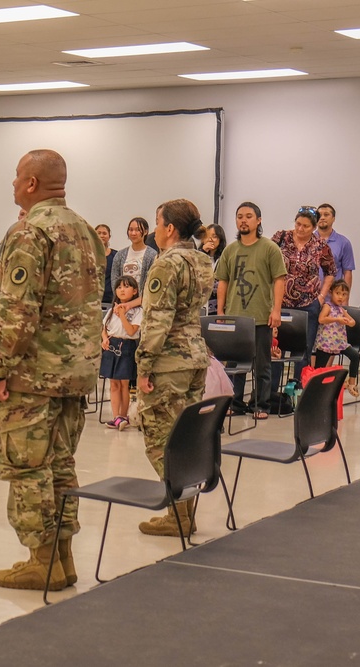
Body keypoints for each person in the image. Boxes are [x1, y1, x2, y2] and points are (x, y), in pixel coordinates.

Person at [0, 149, 104, 591]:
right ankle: (63, 561)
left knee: (27, 467)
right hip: (74, 373)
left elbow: (15, 310)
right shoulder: (86, 230)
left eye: (16, 179)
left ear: (31, 184)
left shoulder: (30, 232)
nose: (12, 186)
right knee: (61, 465)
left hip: (33, 375)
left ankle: (40, 561)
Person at [136, 199, 213, 537]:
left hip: (168, 361)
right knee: (184, 438)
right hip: (196, 356)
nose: (155, 229)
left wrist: (143, 366)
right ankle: (182, 513)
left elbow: (157, 320)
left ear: (169, 228)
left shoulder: (168, 264)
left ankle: (179, 514)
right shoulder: (202, 260)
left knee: (158, 440)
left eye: (157, 222)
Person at [215, 201, 286, 420]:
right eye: (239, 216)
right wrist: (220, 312)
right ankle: (235, 403)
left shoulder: (269, 248)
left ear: (258, 220)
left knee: (262, 365)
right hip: (235, 318)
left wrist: (276, 310)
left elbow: (279, 280)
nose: (243, 220)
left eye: (248, 216)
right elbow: (223, 282)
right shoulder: (230, 250)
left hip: (261, 317)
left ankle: (261, 405)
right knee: (236, 365)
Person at [270, 207, 336, 384]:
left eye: (306, 226)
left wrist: (321, 296)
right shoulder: (281, 238)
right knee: (276, 347)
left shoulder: (320, 246)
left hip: (308, 304)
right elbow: (265, 260)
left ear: (314, 227)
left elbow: (331, 272)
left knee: (304, 349)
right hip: (280, 303)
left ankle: (297, 390)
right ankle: (273, 392)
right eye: (298, 224)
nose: (300, 229)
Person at [100, 276, 142, 430]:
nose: (122, 290)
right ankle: (115, 416)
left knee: (124, 384)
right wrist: (104, 339)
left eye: (126, 287)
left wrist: (123, 314)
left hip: (127, 347)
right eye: (119, 287)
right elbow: (104, 328)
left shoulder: (138, 311)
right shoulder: (111, 310)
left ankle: (123, 416)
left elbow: (131, 331)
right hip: (112, 346)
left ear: (135, 290)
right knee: (113, 384)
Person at [313, 280, 360, 397]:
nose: (341, 297)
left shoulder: (341, 309)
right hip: (326, 344)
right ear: (331, 292)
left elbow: (353, 322)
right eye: (338, 293)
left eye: (344, 294)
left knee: (355, 356)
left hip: (339, 343)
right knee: (319, 370)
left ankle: (351, 383)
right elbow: (321, 319)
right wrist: (336, 319)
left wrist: (349, 322)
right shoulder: (327, 306)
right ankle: (315, 393)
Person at [111, 217, 157, 311]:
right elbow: (115, 280)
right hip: (121, 304)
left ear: (145, 231)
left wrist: (138, 301)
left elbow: (150, 283)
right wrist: (121, 298)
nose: (133, 233)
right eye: (130, 230)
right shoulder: (120, 255)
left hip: (143, 305)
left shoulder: (152, 255)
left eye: (137, 230)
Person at [316, 203, 354, 295]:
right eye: (319, 215)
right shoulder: (308, 240)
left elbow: (347, 272)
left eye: (326, 214)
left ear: (333, 218)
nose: (322, 218)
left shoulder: (343, 242)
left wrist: (345, 299)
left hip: (333, 298)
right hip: (310, 298)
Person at [201, 223, 227, 314]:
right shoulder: (198, 255)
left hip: (218, 306)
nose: (210, 239)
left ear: (220, 239)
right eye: (207, 236)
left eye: (214, 236)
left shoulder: (224, 258)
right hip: (200, 305)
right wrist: (203, 251)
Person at [95, 224, 115, 305]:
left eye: (104, 233)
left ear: (109, 236)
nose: (101, 235)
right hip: (94, 299)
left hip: (110, 299)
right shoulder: (89, 256)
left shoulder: (116, 255)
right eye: (98, 233)